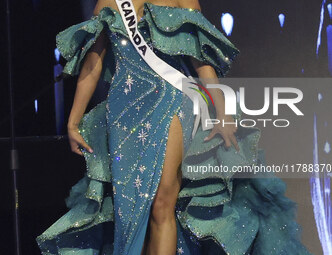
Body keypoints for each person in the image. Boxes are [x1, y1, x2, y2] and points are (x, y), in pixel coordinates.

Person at [36, 0, 313, 254]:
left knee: (161, 203)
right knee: (131, 210)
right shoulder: (108, 3)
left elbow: (202, 63)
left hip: (172, 103)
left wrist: (222, 114)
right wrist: (73, 122)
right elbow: (92, 67)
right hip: (123, 115)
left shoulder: (182, 0)